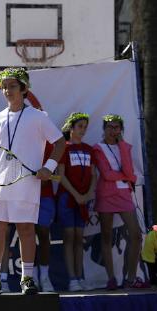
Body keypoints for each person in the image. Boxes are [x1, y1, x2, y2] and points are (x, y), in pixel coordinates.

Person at [0, 67, 65, 295]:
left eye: (12, 86)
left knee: (25, 229)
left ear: (24, 89)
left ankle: (27, 279)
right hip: (0, 185)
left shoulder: (38, 117)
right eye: (4, 87)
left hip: (26, 184)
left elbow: (60, 142)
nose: (7, 91)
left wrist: (47, 167)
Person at [92, 114, 146, 289]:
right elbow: (106, 175)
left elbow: (131, 174)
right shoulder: (98, 148)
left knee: (136, 235)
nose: (113, 130)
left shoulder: (125, 147)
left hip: (124, 195)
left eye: (116, 127)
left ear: (120, 129)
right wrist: (125, 175)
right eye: (109, 127)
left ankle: (130, 278)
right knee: (106, 237)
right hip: (106, 195)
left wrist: (121, 144)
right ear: (104, 129)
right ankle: (111, 278)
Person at [56, 112, 96, 292]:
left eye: (85, 127)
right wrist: (76, 195)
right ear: (70, 128)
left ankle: (81, 277)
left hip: (83, 199)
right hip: (67, 198)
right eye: (80, 126)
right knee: (70, 237)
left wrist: (88, 194)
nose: (83, 130)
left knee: (80, 238)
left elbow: (94, 174)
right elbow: (60, 175)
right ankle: (72, 279)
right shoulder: (63, 147)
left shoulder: (89, 149)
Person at [34, 143, 56, 292]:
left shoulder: (49, 145)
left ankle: (45, 277)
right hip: (25, 196)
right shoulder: (22, 140)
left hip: (45, 197)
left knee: (43, 234)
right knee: (27, 235)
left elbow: (51, 172)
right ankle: (32, 278)